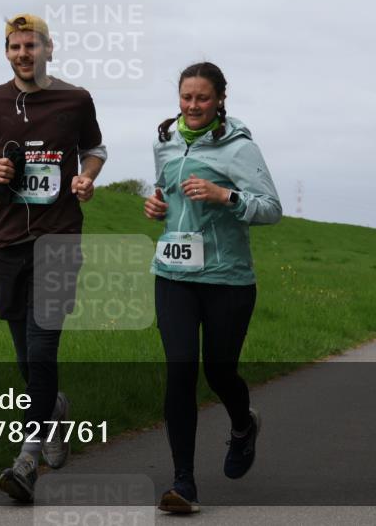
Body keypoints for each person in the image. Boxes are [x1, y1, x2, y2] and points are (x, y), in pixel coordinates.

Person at [0, 13, 107, 502]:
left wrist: (87, 177)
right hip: (5, 245)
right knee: (26, 358)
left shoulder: (76, 99)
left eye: (32, 46)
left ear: (50, 49)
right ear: (7, 52)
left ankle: (26, 459)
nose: (24, 54)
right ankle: (54, 408)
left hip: (59, 240)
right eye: (15, 47)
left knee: (42, 350)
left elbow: (96, 148)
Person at [143, 61, 281, 513]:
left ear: (221, 99)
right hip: (174, 275)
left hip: (227, 279)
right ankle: (183, 482)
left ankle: (243, 425)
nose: (193, 105)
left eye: (203, 98)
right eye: (186, 97)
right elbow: (167, 193)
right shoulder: (164, 140)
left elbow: (271, 208)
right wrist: (157, 205)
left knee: (219, 372)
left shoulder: (239, 147)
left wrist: (226, 196)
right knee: (180, 369)